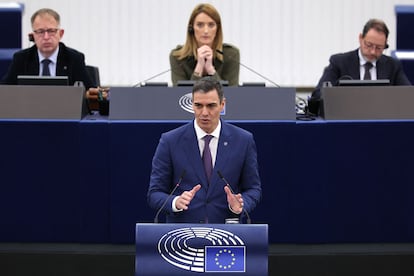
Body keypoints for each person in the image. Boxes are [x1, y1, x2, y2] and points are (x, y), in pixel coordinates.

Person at [147, 77, 261, 223]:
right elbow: (154, 193)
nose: (204, 113)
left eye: (211, 106)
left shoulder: (243, 140)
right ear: (192, 105)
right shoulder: (170, 141)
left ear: (222, 105)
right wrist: (175, 202)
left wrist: (241, 204)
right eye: (198, 105)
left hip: (226, 232)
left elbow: (253, 189)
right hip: (183, 233)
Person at [308, 18, 411, 115]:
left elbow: (409, 95)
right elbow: (317, 94)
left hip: (382, 120)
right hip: (347, 120)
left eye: (379, 48)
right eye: (369, 45)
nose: (373, 51)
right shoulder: (339, 62)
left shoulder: (393, 66)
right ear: (361, 38)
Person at [1, 8, 93, 89]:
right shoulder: (21, 59)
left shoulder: (74, 58)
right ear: (33, 36)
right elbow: (5, 90)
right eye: (40, 32)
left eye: (51, 31)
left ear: (60, 34)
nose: (46, 37)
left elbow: (89, 94)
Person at [169, 3, 240, 86]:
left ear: (217, 29)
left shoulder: (231, 54)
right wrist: (199, 67)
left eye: (211, 25)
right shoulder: (177, 57)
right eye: (200, 25)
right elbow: (180, 96)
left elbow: (232, 95)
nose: (206, 31)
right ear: (191, 29)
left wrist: (211, 70)